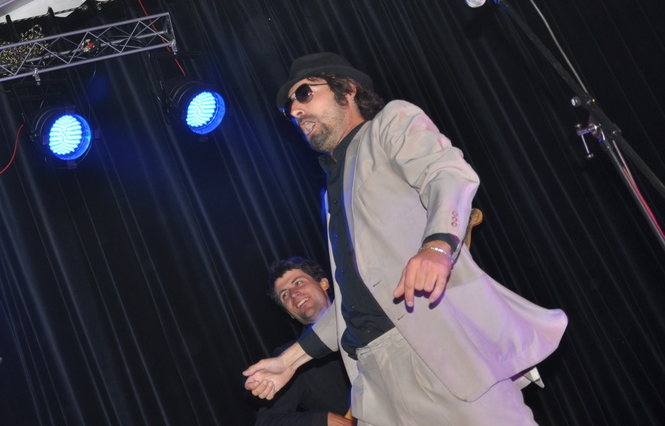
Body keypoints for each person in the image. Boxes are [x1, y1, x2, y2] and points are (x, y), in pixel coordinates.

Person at [242, 52, 567, 426]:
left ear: (347, 89)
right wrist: (289, 361)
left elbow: (447, 174)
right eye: (289, 109)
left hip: (433, 348)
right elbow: (350, 300)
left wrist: (437, 246)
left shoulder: (389, 124)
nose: (296, 110)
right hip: (374, 378)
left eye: (304, 93)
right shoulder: (331, 189)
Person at [257, 257, 352, 426]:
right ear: (290, 313)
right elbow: (267, 421)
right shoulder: (289, 357)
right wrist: (320, 420)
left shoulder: (361, 312)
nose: (293, 294)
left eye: (298, 283)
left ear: (324, 283)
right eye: (284, 295)